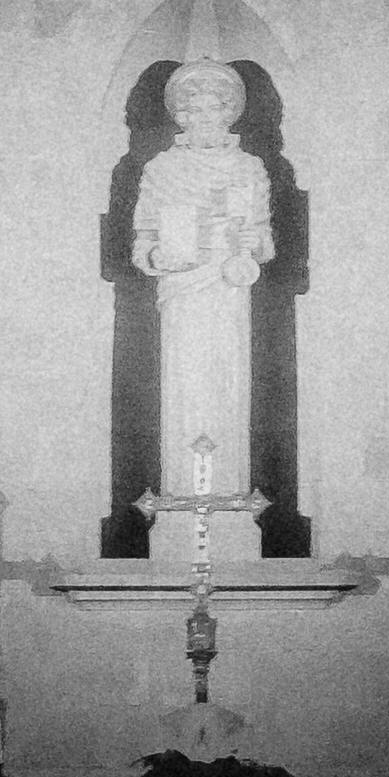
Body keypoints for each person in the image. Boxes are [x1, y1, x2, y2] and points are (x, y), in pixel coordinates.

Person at [131, 59, 271, 499]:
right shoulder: (161, 169)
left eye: (214, 110)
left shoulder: (250, 168)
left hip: (229, 287)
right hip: (182, 291)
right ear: (181, 116)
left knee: (226, 383)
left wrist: (255, 241)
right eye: (194, 112)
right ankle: (182, 495)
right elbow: (143, 242)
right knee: (186, 384)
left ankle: (228, 495)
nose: (204, 120)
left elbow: (265, 242)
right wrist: (160, 255)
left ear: (229, 114)